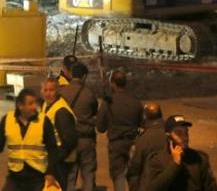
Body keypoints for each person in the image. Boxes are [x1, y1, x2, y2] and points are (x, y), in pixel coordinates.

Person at [0, 88, 60, 190]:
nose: (35, 107)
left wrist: (50, 172)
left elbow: (53, 149)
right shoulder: (7, 119)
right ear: (20, 106)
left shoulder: (43, 121)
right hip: (15, 176)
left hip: (37, 177)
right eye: (30, 103)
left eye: (35, 103)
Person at [139, 114, 217, 191]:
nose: (184, 137)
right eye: (179, 133)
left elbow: (211, 187)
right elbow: (153, 188)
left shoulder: (198, 158)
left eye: (186, 132)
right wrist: (175, 164)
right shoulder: (157, 160)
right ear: (168, 137)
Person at [97, 70, 143, 191]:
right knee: (133, 176)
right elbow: (142, 123)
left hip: (116, 143)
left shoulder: (108, 102)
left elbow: (100, 128)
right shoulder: (135, 101)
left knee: (118, 176)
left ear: (113, 83)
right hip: (133, 142)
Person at [60, 61, 98, 191]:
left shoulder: (62, 93)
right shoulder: (89, 94)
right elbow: (94, 113)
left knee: (70, 175)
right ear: (84, 76)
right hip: (86, 139)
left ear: (71, 75)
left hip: (69, 141)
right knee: (88, 174)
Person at [41, 76, 79, 188]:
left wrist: (54, 161)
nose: (48, 94)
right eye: (45, 90)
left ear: (58, 91)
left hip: (64, 161)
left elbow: (69, 142)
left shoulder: (61, 111)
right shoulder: (47, 105)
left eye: (51, 90)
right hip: (56, 159)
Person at [128, 102, 167, 191]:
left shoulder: (142, 139)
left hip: (148, 184)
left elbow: (134, 167)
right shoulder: (171, 133)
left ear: (145, 117)